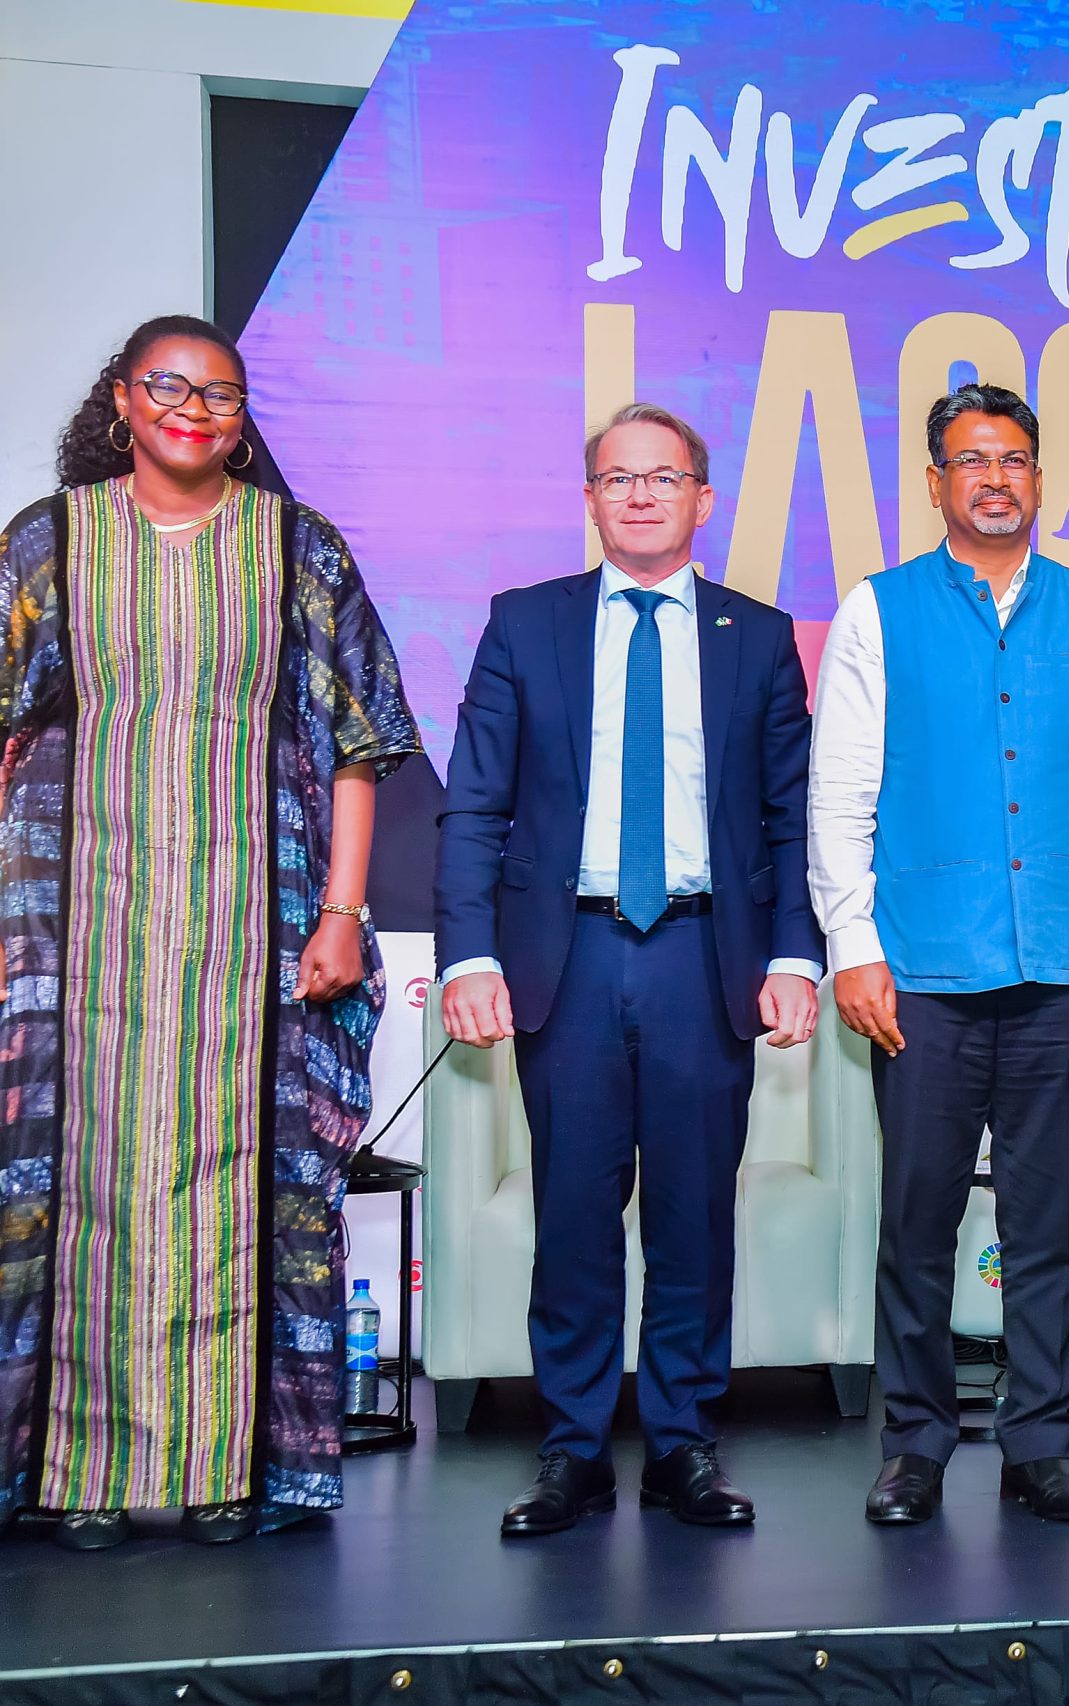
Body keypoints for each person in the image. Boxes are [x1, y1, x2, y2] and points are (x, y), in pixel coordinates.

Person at [0, 314, 419, 1551]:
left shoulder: (298, 547)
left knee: (244, 1184)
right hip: (77, 924)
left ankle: (234, 1464)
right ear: (123, 402)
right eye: (169, 386)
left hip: (259, 931)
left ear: (242, 420)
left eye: (220, 393)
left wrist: (340, 912)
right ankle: (79, 1473)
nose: (193, 408)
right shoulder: (48, 541)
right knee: (85, 1185)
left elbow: (358, 744)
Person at [436, 402, 824, 1538]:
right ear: (591, 499)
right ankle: (571, 1450)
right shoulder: (525, 623)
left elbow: (791, 812)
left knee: (696, 1215)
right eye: (619, 478)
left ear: (704, 499)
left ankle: (683, 1444)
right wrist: (468, 951)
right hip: (571, 953)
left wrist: (795, 952)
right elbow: (475, 805)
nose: (642, 494)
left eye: (664, 477)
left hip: (706, 955)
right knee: (573, 1213)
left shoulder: (758, 634)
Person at [809, 383, 1069, 1528]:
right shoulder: (878, 611)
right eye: (971, 460)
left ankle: (1038, 1442)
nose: (994, 478)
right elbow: (839, 792)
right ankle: (913, 1443)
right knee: (918, 1220)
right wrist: (853, 943)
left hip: (1062, 963)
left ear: (1039, 478)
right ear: (935, 481)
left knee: (1047, 1226)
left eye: (1012, 459)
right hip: (921, 971)